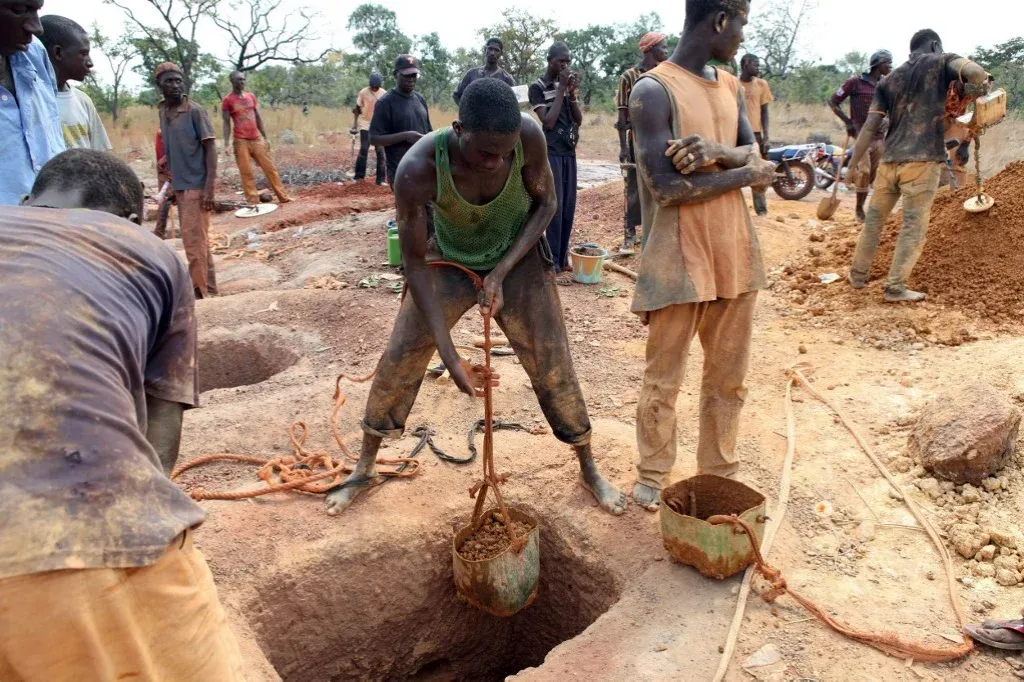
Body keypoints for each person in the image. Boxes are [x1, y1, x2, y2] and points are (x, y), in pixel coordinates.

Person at [324, 78, 627, 517]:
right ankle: (365, 466)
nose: (496, 162)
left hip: (517, 256)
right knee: (403, 352)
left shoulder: (528, 136)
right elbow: (413, 264)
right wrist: (450, 358)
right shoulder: (417, 169)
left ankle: (588, 465)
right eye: (485, 151)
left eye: (504, 153)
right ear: (458, 128)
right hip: (448, 258)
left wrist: (501, 273)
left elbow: (546, 205)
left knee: (551, 356)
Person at [0, 148, 244, 679]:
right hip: (66, 544)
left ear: (27, 200)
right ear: (133, 221)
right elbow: (162, 421)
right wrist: (143, 520)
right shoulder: (144, 249)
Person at [627, 0, 775, 510]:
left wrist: (718, 154)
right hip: (677, 255)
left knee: (728, 378)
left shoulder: (731, 85)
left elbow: (757, 156)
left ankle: (718, 472)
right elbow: (666, 187)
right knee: (663, 375)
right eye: (741, 25)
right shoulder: (653, 91)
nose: (741, 37)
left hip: (734, 250)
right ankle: (652, 473)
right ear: (720, 21)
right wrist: (744, 173)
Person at [847, 29, 989, 303]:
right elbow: (978, 75)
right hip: (922, 163)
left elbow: (870, 126)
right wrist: (975, 90)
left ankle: (858, 276)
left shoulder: (889, 80)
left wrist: (853, 165)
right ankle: (895, 288)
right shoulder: (941, 60)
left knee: (874, 222)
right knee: (913, 225)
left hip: (890, 162)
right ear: (935, 45)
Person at [157, 62, 218, 298]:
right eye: (168, 81)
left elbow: (210, 148)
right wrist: (166, 159)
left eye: (177, 81)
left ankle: (200, 295)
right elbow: (175, 143)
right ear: (159, 85)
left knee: (193, 245)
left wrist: (210, 189)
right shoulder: (164, 111)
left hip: (196, 186)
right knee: (199, 242)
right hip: (180, 185)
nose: (174, 85)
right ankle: (210, 290)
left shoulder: (194, 110)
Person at [0, 0, 64, 205]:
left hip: (51, 218)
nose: (36, 28)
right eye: (19, 10)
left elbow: (52, 131)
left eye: (37, 10)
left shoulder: (34, 52)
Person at [529, 42, 583, 277]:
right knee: (555, 207)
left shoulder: (565, 87)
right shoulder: (537, 87)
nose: (565, 65)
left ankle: (563, 257)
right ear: (550, 60)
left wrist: (571, 94)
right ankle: (552, 260)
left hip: (568, 153)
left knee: (569, 206)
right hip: (550, 152)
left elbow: (578, 120)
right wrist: (561, 89)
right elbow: (548, 123)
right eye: (561, 60)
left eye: (568, 61)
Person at [614, 31, 669, 253]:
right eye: (663, 47)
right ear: (651, 49)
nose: (667, 51)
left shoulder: (665, 75)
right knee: (634, 188)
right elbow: (622, 118)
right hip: (637, 141)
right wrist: (623, 148)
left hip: (664, 140)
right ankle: (629, 235)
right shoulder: (629, 77)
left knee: (659, 185)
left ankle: (655, 234)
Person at [830, 49, 893, 221]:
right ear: (878, 64)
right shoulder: (855, 83)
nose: (890, 66)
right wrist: (848, 122)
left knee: (873, 174)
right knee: (864, 171)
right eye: (887, 62)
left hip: (880, 136)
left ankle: (866, 206)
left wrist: (889, 119)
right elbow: (833, 101)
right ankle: (859, 209)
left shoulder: (886, 84)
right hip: (861, 134)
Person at [38, 15, 111, 152]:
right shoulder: (30, 101)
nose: (90, 63)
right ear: (58, 53)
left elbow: (99, 155)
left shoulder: (83, 100)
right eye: (83, 53)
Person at [221, 70, 290, 207]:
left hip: (256, 138)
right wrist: (227, 143)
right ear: (232, 81)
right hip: (240, 140)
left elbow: (257, 116)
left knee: (270, 168)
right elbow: (226, 123)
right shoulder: (228, 100)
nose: (242, 82)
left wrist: (265, 137)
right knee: (246, 172)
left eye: (243, 79)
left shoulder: (251, 96)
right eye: (239, 80)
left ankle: (283, 196)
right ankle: (253, 201)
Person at [369, 55, 432, 186]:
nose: (411, 80)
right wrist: (405, 136)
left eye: (414, 75)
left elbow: (429, 131)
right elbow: (374, 138)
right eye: (406, 75)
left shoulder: (420, 99)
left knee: (429, 206)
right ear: (395, 75)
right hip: (400, 170)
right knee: (409, 207)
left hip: (424, 168)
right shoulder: (386, 102)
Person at [739, 54, 773, 216]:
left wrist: (766, 137)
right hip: (736, 133)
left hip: (756, 134)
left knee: (758, 172)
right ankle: (736, 210)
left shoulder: (761, 84)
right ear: (746, 64)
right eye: (756, 65)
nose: (758, 68)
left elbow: (765, 113)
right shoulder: (732, 83)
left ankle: (761, 210)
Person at [452, 37, 516, 106]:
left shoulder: (507, 79)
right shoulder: (472, 74)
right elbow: (457, 95)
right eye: (490, 49)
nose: (492, 53)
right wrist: (467, 111)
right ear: (485, 50)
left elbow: (514, 103)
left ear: (501, 53)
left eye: (496, 50)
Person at [351, 72, 386, 185]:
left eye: (376, 86)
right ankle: (359, 177)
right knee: (364, 149)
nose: (374, 88)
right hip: (365, 124)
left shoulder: (384, 94)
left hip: (379, 126)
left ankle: (380, 180)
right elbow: (357, 109)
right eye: (372, 86)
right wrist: (354, 125)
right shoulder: (363, 92)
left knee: (380, 152)